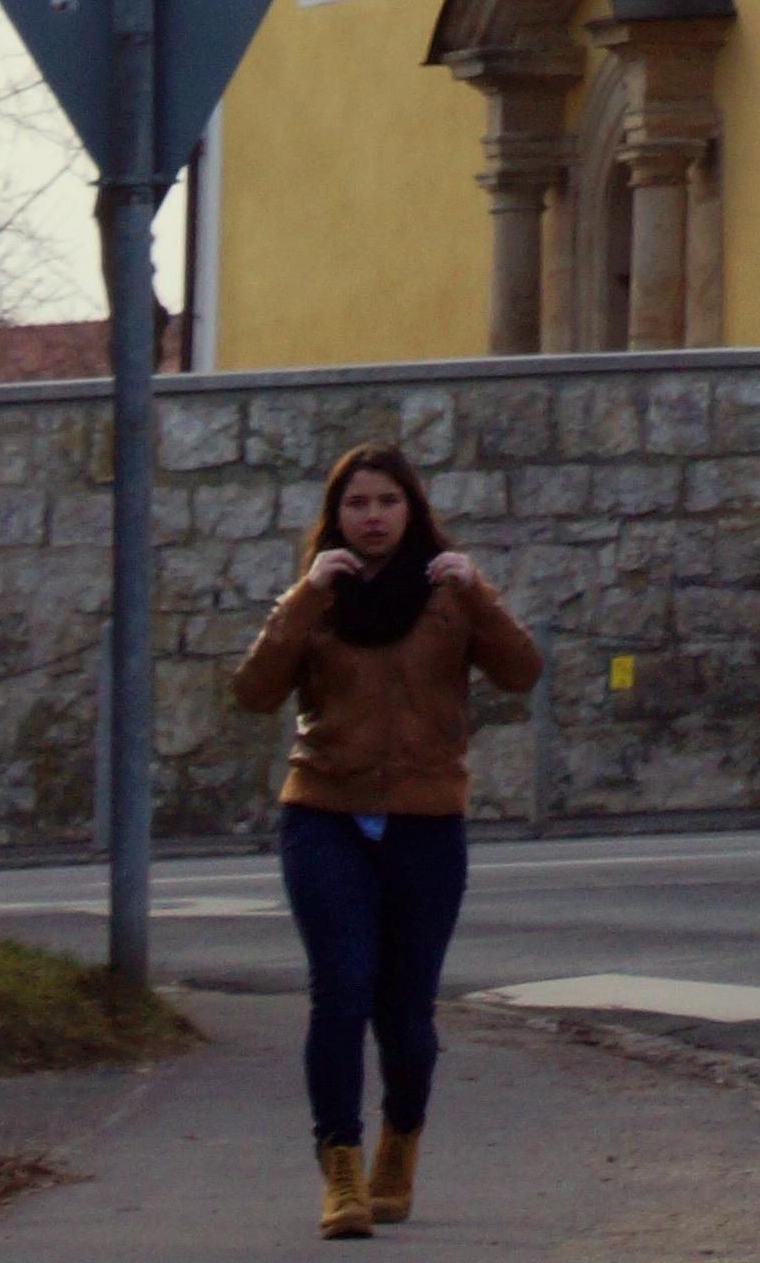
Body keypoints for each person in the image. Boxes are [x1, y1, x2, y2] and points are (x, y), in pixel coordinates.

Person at [232, 439, 538, 1242]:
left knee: (405, 1012)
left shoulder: (448, 594)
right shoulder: (318, 597)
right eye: (357, 504)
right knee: (340, 991)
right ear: (336, 516)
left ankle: (399, 1142)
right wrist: (301, 601)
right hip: (324, 814)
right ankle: (340, 1170)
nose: (373, 517)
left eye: (387, 502)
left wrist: (481, 597)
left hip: (425, 823)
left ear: (413, 510)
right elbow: (255, 693)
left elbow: (521, 671)